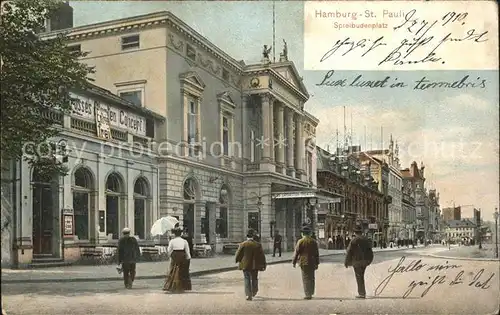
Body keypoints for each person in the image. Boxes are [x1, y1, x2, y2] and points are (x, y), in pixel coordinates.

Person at [235, 229, 267, 301]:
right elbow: (262, 256)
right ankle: (254, 291)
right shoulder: (258, 244)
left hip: (245, 265)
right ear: (253, 236)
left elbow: (238, 254)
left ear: (247, 236)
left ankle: (248, 295)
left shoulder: (243, 244)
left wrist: (237, 260)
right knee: (254, 278)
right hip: (255, 265)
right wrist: (264, 265)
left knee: (247, 279)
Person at [344, 226, 374, 299]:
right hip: (364, 262)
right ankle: (362, 292)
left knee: (359, 277)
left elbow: (349, 252)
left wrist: (346, 262)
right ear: (361, 232)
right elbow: (370, 252)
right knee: (361, 276)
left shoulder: (354, 240)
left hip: (357, 262)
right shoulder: (366, 240)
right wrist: (369, 261)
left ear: (355, 233)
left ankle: (361, 293)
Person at [292, 225, 320, 300]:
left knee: (305, 277)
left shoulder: (300, 241)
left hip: (303, 261)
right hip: (312, 261)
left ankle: (307, 294)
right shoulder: (314, 242)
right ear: (309, 233)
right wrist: (317, 263)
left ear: (303, 234)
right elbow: (316, 253)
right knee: (311, 277)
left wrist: (294, 262)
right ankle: (311, 292)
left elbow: (296, 252)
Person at [163, 227, 192, 293]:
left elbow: (169, 250)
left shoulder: (172, 241)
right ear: (181, 234)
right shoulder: (184, 241)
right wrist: (188, 258)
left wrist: (170, 256)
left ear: (174, 234)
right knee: (182, 270)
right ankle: (182, 286)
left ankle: (172, 286)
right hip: (182, 255)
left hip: (175, 255)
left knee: (173, 270)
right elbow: (187, 251)